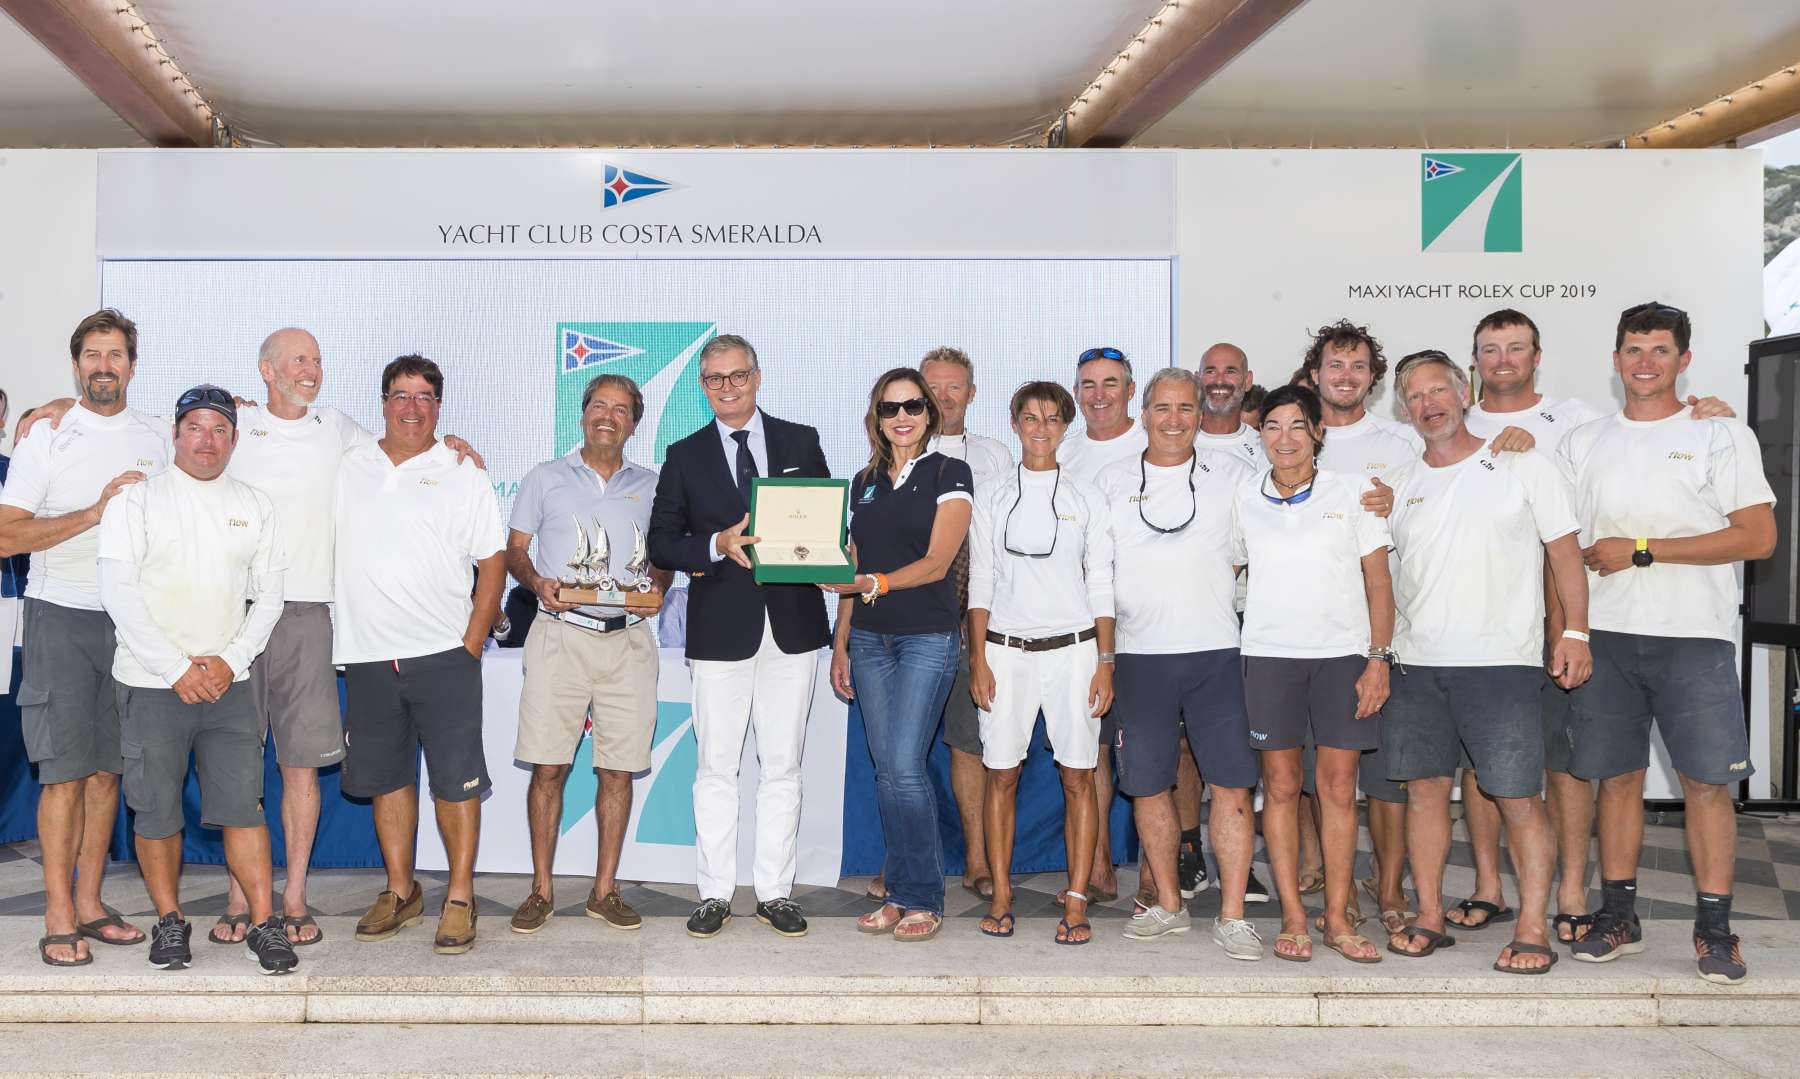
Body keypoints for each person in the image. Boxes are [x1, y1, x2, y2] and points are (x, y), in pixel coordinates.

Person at [16, 328, 487, 947]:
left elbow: (405, 439)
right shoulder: (227, 424)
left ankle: (291, 900)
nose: (310, 369)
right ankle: (232, 903)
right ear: (266, 370)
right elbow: (122, 429)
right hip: (208, 621)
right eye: (297, 359)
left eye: (317, 359)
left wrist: (448, 445)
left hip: (304, 615)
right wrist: (55, 408)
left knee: (294, 766)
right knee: (205, 768)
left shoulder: (339, 429)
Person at [1453, 308, 1736, 945]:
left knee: (1573, 764)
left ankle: (1578, 894)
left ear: (1537, 356)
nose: (1503, 359)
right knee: (1485, 762)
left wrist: (1570, 629)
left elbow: (1568, 536)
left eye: (1516, 347)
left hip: (1586, 620)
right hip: (1492, 619)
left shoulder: (1579, 422)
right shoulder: (1449, 420)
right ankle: (1491, 887)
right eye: (1490, 348)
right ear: (1474, 360)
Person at [1559, 303, 1776, 985]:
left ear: (1684, 359)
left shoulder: (1721, 433)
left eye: (1660, 350)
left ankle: (1715, 930)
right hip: (1607, 636)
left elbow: (1758, 536)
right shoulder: (1583, 441)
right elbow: (1560, 547)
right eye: (1633, 349)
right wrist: (1568, 631)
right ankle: (1618, 916)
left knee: (1707, 786)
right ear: (1615, 358)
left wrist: (1643, 549)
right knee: (1617, 779)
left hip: (1694, 637)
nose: (1645, 362)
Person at [1382, 350, 1590, 974]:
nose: (1428, 404)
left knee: (1519, 797)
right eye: (1415, 396)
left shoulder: (1523, 463)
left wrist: (1575, 632)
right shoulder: (1398, 485)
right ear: (1404, 409)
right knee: (1425, 794)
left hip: (1502, 665)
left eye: (1438, 390)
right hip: (1416, 667)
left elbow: (1565, 554)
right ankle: (1428, 915)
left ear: (1463, 393)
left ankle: (1533, 927)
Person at [96, 385, 294, 974]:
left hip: (228, 685)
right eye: (195, 428)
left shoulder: (256, 504)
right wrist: (175, 667)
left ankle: (265, 924)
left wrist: (231, 660)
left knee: (244, 809)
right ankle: (169, 921)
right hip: (151, 682)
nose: (207, 440)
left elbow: (270, 595)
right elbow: (118, 593)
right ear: (176, 434)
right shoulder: (135, 502)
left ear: (234, 439)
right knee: (157, 812)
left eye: (219, 429)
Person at [647, 333, 829, 940]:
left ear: (757, 376)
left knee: (784, 767)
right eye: (715, 379)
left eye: (738, 375)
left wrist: (832, 549)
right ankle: (714, 893)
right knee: (715, 768)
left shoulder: (801, 441)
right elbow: (662, 543)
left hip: (793, 628)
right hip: (719, 630)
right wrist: (715, 545)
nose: (728, 387)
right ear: (702, 387)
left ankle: (776, 891)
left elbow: (826, 524)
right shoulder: (684, 454)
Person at [0, 310, 164, 966]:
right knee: (64, 775)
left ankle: (91, 903)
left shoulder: (157, 436)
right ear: (76, 365)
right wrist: (95, 512)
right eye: (92, 355)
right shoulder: (47, 436)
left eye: (115, 354)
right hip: (59, 616)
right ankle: (58, 912)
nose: (103, 366)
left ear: (132, 365)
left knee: (106, 773)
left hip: (130, 624)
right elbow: (6, 534)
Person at [335, 355, 506, 955]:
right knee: (388, 781)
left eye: (425, 397)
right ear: (383, 403)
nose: (412, 407)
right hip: (367, 655)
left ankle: (459, 897)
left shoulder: (462, 471)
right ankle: (400, 891)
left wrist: (472, 642)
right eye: (401, 395)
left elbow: (493, 563)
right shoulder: (348, 461)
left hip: (444, 655)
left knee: (456, 784)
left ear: (439, 406)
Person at [1097, 368, 1263, 957]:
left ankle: (1234, 915)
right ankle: (1169, 904)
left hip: (1216, 653)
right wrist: (1106, 655)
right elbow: (1098, 573)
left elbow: (1258, 544)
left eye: (1186, 408)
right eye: (1162, 408)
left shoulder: (1235, 476)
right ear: (1143, 414)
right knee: (1148, 787)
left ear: (1200, 415)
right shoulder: (1111, 481)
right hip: (1139, 657)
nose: (1174, 420)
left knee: (1233, 787)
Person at [504, 373, 672, 934]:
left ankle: (605, 891)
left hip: (629, 639)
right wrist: (536, 582)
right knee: (548, 766)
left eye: (621, 409)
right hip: (560, 634)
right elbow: (515, 551)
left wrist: (659, 587)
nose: (608, 416)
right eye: (599, 405)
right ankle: (541, 890)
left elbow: (664, 558)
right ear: (582, 414)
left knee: (617, 771)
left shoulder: (654, 485)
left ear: (634, 423)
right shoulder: (544, 477)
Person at [1232, 384, 1394, 964]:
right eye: (1273, 426)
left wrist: (1378, 659)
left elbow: (1379, 581)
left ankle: (1338, 919)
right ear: (1260, 435)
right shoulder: (1243, 497)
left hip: (1343, 657)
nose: (1285, 438)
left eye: (1297, 425)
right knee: (1278, 788)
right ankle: (1294, 917)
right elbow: (1225, 565)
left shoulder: (1353, 492)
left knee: (1338, 789)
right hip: (1268, 657)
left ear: (1318, 432)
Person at [824, 367, 972, 942]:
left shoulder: (950, 472)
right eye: (890, 408)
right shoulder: (863, 481)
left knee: (906, 769)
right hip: (868, 640)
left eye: (913, 406)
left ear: (929, 414)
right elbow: (851, 565)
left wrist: (873, 585)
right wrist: (841, 641)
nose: (902, 416)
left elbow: (938, 562)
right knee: (888, 772)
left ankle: (924, 897)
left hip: (926, 638)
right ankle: (900, 892)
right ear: (877, 418)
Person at [966, 381, 1113, 945]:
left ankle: (1076, 900)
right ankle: (1002, 896)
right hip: (1005, 652)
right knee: (1001, 774)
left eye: (1053, 419)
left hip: (1075, 652)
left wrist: (1105, 661)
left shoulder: (1087, 496)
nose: (1042, 428)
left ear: (1065, 426)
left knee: (1078, 776)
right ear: (1014, 424)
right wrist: (978, 658)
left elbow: (1101, 582)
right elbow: (981, 581)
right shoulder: (991, 495)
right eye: (1031, 418)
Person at [1302, 318, 1421, 938]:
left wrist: (1396, 508)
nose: (1345, 376)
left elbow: (1434, 508)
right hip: (1314, 636)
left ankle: (1391, 884)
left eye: (1357, 366)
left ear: (1373, 378)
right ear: (1314, 373)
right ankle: (1336, 884)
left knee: (1386, 777)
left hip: (1382, 636)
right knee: (1321, 776)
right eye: (1334, 365)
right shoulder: (1294, 438)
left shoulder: (1402, 443)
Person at [901, 346, 1014, 903]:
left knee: (969, 742)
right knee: (904, 751)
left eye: (954, 387)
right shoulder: (895, 452)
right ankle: (904, 865)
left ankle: (976, 860)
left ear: (971, 394)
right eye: (933, 386)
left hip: (974, 618)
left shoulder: (995, 456)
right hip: (907, 616)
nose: (943, 397)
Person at [1195, 343, 1262, 465]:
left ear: (1247, 380)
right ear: (1197, 379)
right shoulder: (1175, 440)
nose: (1219, 380)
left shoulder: (1264, 448)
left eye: (1230, 372)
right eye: (1210, 371)